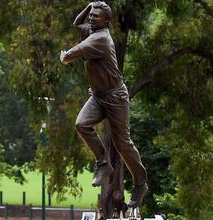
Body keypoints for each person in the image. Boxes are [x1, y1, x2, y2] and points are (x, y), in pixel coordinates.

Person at [60, 1, 148, 208]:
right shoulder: (92, 32)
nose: (91, 18)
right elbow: (76, 24)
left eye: (96, 16)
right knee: (81, 124)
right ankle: (103, 163)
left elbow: (67, 57)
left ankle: (140, 183)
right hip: (98, 96)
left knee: (123, 144)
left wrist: (64, 55)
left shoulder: (99, 39)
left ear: (106, 21)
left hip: (116, 97)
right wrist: (90, 6)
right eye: (91, 15)